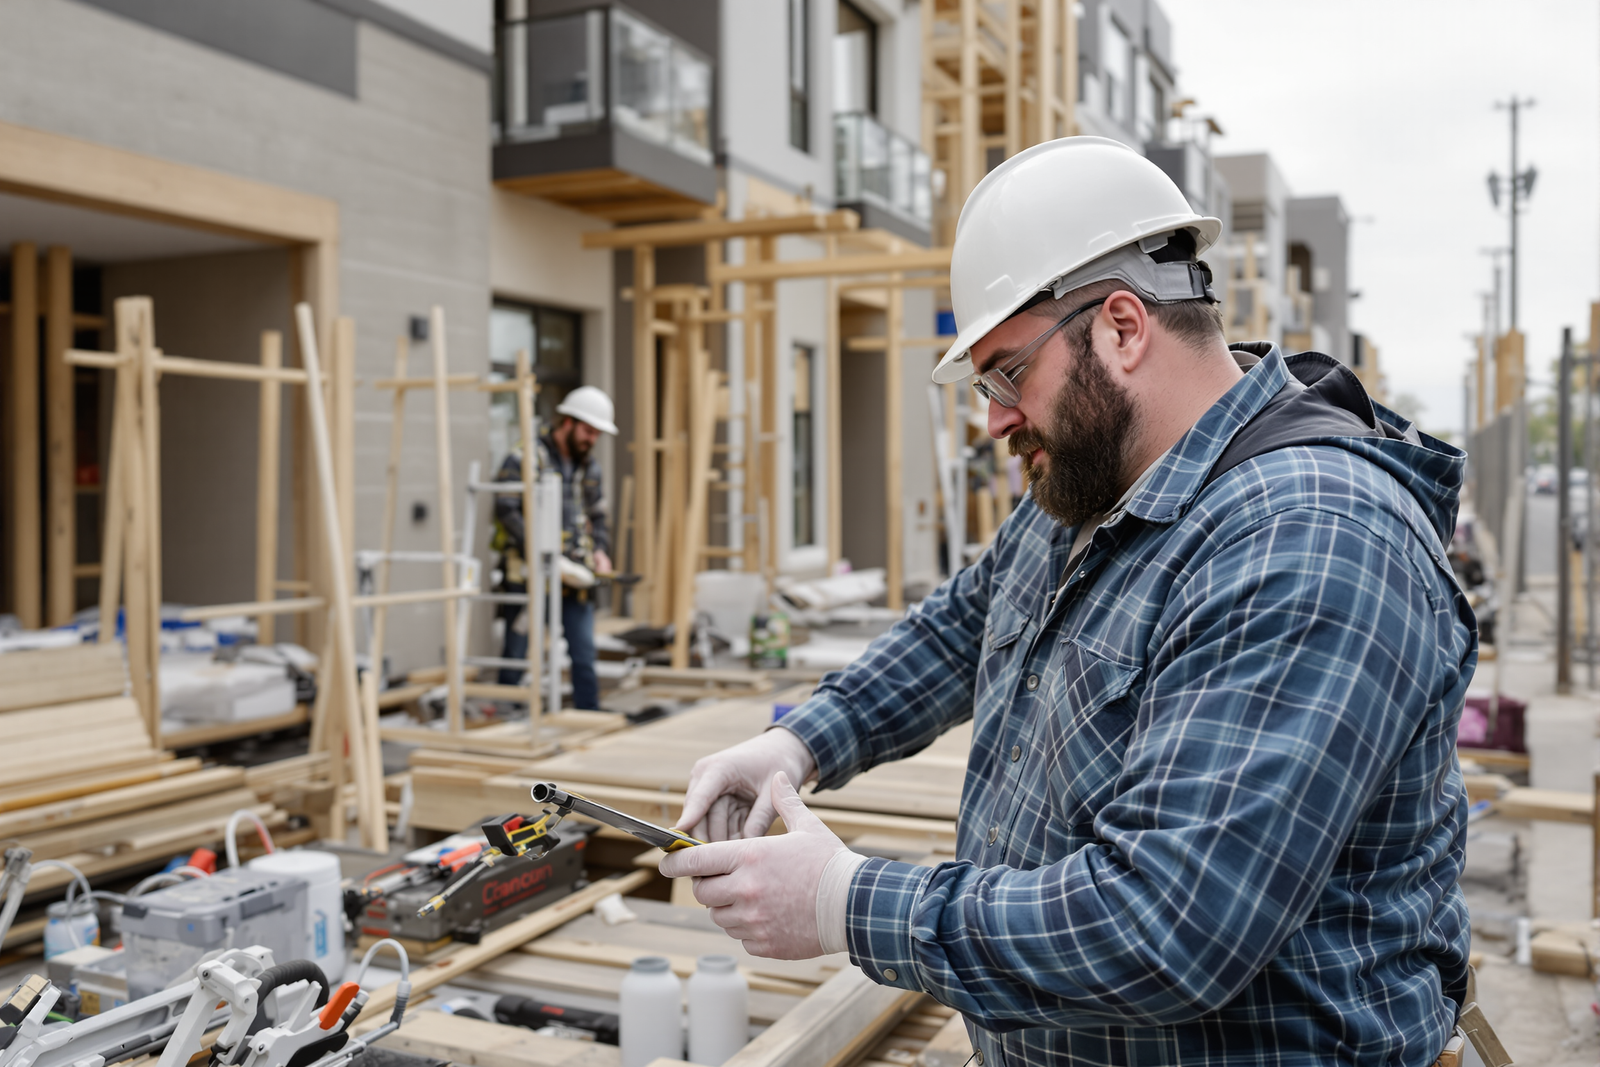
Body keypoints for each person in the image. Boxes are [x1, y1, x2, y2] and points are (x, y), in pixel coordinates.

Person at [658, 137, 1476, 1065]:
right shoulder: (1097, 479)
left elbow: (1170, 923)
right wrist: (800, 740)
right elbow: (969, 619)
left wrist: (844, 900)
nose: (995, 417)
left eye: (1008, 372)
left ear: (1123, 327)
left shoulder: (1310, 537)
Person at [492, 385, 616, 710]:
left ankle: (588, 712)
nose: (592, 440)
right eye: (588, 431)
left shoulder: (589, 468)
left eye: (597, 434)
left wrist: (600, 550)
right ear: (568, 422)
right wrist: (543, 551)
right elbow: (506, 508)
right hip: (530, 575)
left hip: (576, 579)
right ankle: (508, 710)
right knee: (518, 648)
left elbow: (599, 516)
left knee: (584, 651)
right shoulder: (526, 458)